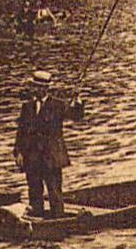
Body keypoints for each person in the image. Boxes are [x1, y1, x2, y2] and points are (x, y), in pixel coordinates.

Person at [13, 71, 84, 218]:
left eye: (38, 87)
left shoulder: (58, 105)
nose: (35, 90)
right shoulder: (27, 107)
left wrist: (77, 101)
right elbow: (21, 132)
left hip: (51, 158)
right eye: (34, 86)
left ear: (46, 88)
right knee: (34, 191)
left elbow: (76, 116)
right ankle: (38, 220)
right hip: (32, 158)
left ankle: (58, 221)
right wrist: (18, 152)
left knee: (54, 192)